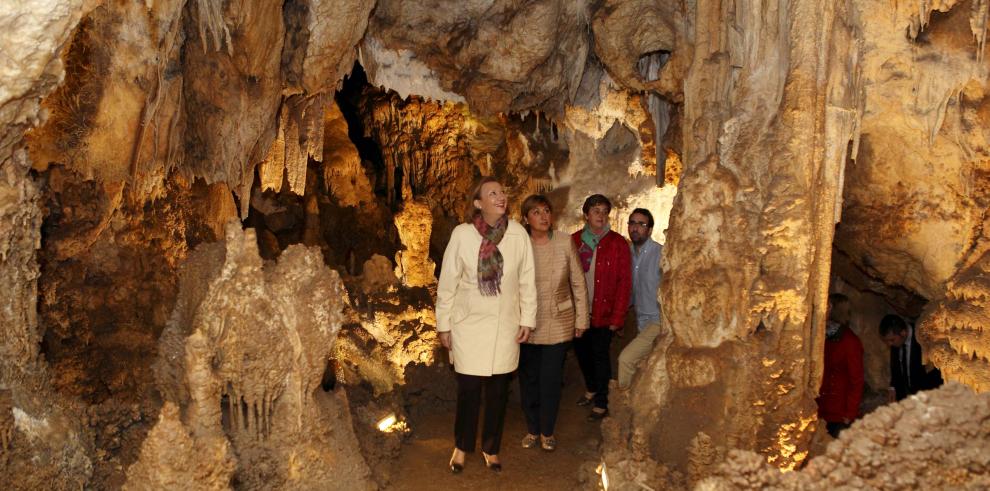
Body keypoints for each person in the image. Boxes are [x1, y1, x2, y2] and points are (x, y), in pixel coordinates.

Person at [436, 176, 537, 473]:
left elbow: (527, 280)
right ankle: (462, 446)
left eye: (502, 191)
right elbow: (448, 282)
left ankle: (491, 448)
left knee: (497, 392)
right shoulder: (463, 234)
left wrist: (527, 319)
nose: (500, 196)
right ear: (478, 203)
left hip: (505, 325)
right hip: (468, 325)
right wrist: (444, 325)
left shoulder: (518, 233)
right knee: (468, 390)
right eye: (492, 193)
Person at [517, 195, 589, 452]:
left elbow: (578, 282)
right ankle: (532, 429)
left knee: (550, 380)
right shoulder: (519, 244)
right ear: (526, 219)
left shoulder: (564, 241)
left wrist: (582, 318)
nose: (544, 216)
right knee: (529, 381)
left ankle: (547, 431)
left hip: (559, 321)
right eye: (536, 212)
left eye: (546, 211)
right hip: (526, 323)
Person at [571, 194, 632, 421]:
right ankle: (591, 388)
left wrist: (618, 316)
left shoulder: (617, 244)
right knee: (582, 353)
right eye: (596, 210)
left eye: (605, 211)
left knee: (600, 356)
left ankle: (601, 401)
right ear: (586, 215)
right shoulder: (575, 241)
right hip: (579, 312)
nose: (601, 215)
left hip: (604, 313)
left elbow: (624, 283)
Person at [617, 208, 662, 388]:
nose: (635, 228)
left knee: (626, 360)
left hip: (657, 321)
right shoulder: (627, 254)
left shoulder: (661, 254)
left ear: (650, 230)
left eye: (641, 224)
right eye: (632, 223)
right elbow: (630, 291)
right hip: (639, 320)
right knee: (644, 366)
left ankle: (624, 401)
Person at [816, 293, 864, 438]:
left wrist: (850, 413)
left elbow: (856, 379)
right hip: (821, 407)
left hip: (839, 412)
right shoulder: (821, 337)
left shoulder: (850, 341)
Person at [879, 314, 943, 403]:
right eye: (887, 341)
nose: (889, 344)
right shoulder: (897, 342)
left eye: (892, 340)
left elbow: (935, 373)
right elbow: (896, 367)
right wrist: (893, 387)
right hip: (908, 396)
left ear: (903, 333)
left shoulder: (923, 338)